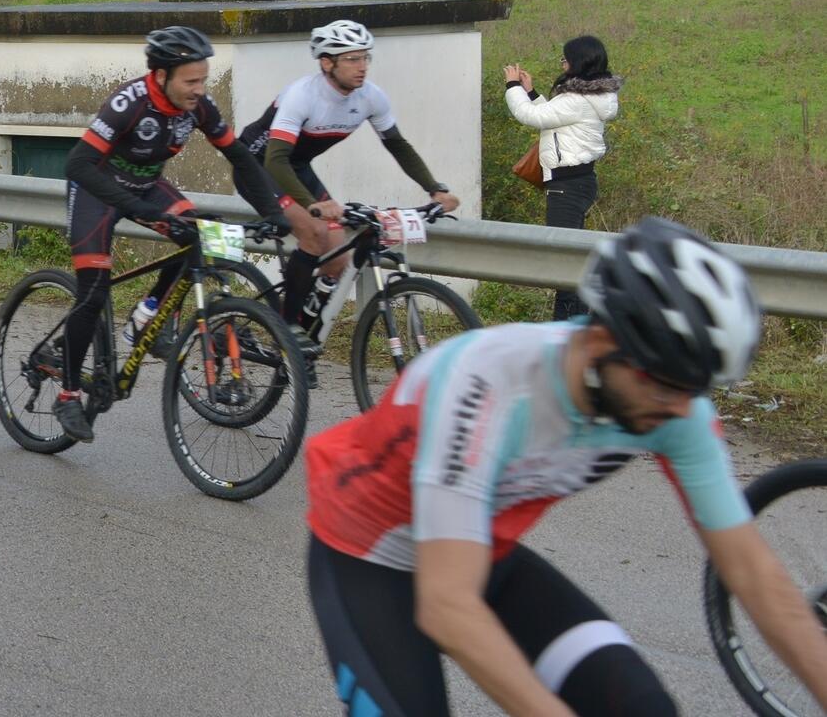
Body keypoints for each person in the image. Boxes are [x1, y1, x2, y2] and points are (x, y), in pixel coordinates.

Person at [304, 216, 827, 716]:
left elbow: (754, 573)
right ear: (601, 342)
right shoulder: (489, 386)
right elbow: (448, 608)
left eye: (698, 388)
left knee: (638, 707)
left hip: (477, 551)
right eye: (669, 384)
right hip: (367, 557)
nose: (683, 410)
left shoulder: (673, 401)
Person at [53, 26, 289, 444]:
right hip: (97, 189)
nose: (200, 89)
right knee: (93, 292)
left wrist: (273, 210)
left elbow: (239, 156)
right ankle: (68, 393)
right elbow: (78, 165)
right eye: (191, 81)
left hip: (145, 186)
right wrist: (139, 209)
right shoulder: (129, 104)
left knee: (198, 234)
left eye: (204, 80)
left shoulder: (198, 107)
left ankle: (146, 317)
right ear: (161, 76)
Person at [239, 20, 460, 329]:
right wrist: (311, 205)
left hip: (296, 168)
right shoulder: (302, 95)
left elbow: (397, 145)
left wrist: (434, 189)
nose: (362, 67)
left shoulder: (370, 97)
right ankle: (286, 331)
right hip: (258, 167)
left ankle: (306, 322)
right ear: (327, 63)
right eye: (352, 59)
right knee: (315, 233)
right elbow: (276, 161)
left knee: (339, 256)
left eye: (365, 57)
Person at [506, 36, 623, 320]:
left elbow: (531, 117)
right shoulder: (591, 98)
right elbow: (551, 115)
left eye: (565, 59)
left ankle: (568, 325)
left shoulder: (576, 100)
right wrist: (531, 92)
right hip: (579, 181)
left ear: (578, 62)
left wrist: (512, 86)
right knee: (570, 257)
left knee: (564, 261)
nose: (563, 64)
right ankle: (573, 322)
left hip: (566, 187)